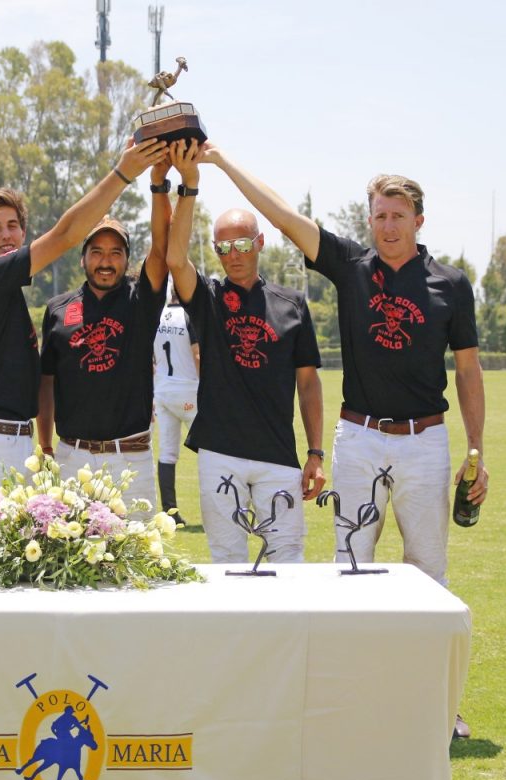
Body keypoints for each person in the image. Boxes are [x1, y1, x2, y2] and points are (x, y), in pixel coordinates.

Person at [197, 146, 488, 738]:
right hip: (358, 439)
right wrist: (223, 164)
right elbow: (282, 217)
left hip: (425, 441)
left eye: (398, 216)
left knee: (428, 573)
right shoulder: (352, 266)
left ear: (419, 220)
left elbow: (468, 370)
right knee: (349, 569)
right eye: (379, 216)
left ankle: (437, 707)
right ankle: (348, 704)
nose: (387, 226)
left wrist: (476, 450)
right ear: (369, 219)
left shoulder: (451, 284)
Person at [0, 138, 169, 515]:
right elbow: (66, 234)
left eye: (13, 226)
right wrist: (123, 173)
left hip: (11, 439)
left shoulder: (6, 288)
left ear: (23, 233)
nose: (6, 235)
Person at [165, 141, 326, 563]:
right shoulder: (208, 298)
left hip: (278, 456)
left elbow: (308, 384)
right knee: (227, 562)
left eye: (241, 245)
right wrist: (189, 187)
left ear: (260, 243)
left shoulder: (291, 305)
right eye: (222, 248)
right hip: (220, 454)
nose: (232, 256)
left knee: (288, 560)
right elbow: (175, 259)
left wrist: (315, 453)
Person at [36, 157, 173, 512]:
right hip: (72, 457)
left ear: (127, 259)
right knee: (71, 546)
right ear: (83, 258)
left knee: (138, 547)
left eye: (116, 253)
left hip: (129, 458)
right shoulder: (58, 309)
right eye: (96, 252)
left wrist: (158, 184)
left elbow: (161, 250)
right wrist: (46, 445)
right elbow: (46, 381)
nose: (106, 261)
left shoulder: (141, 301)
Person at [153, 291, 200, 525]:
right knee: (210, 452)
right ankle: (217, 510)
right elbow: (197, 354)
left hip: (163, 391)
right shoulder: (190, 315)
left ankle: (170, 513)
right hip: (189, 391)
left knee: (167, 453)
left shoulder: (157, 315)